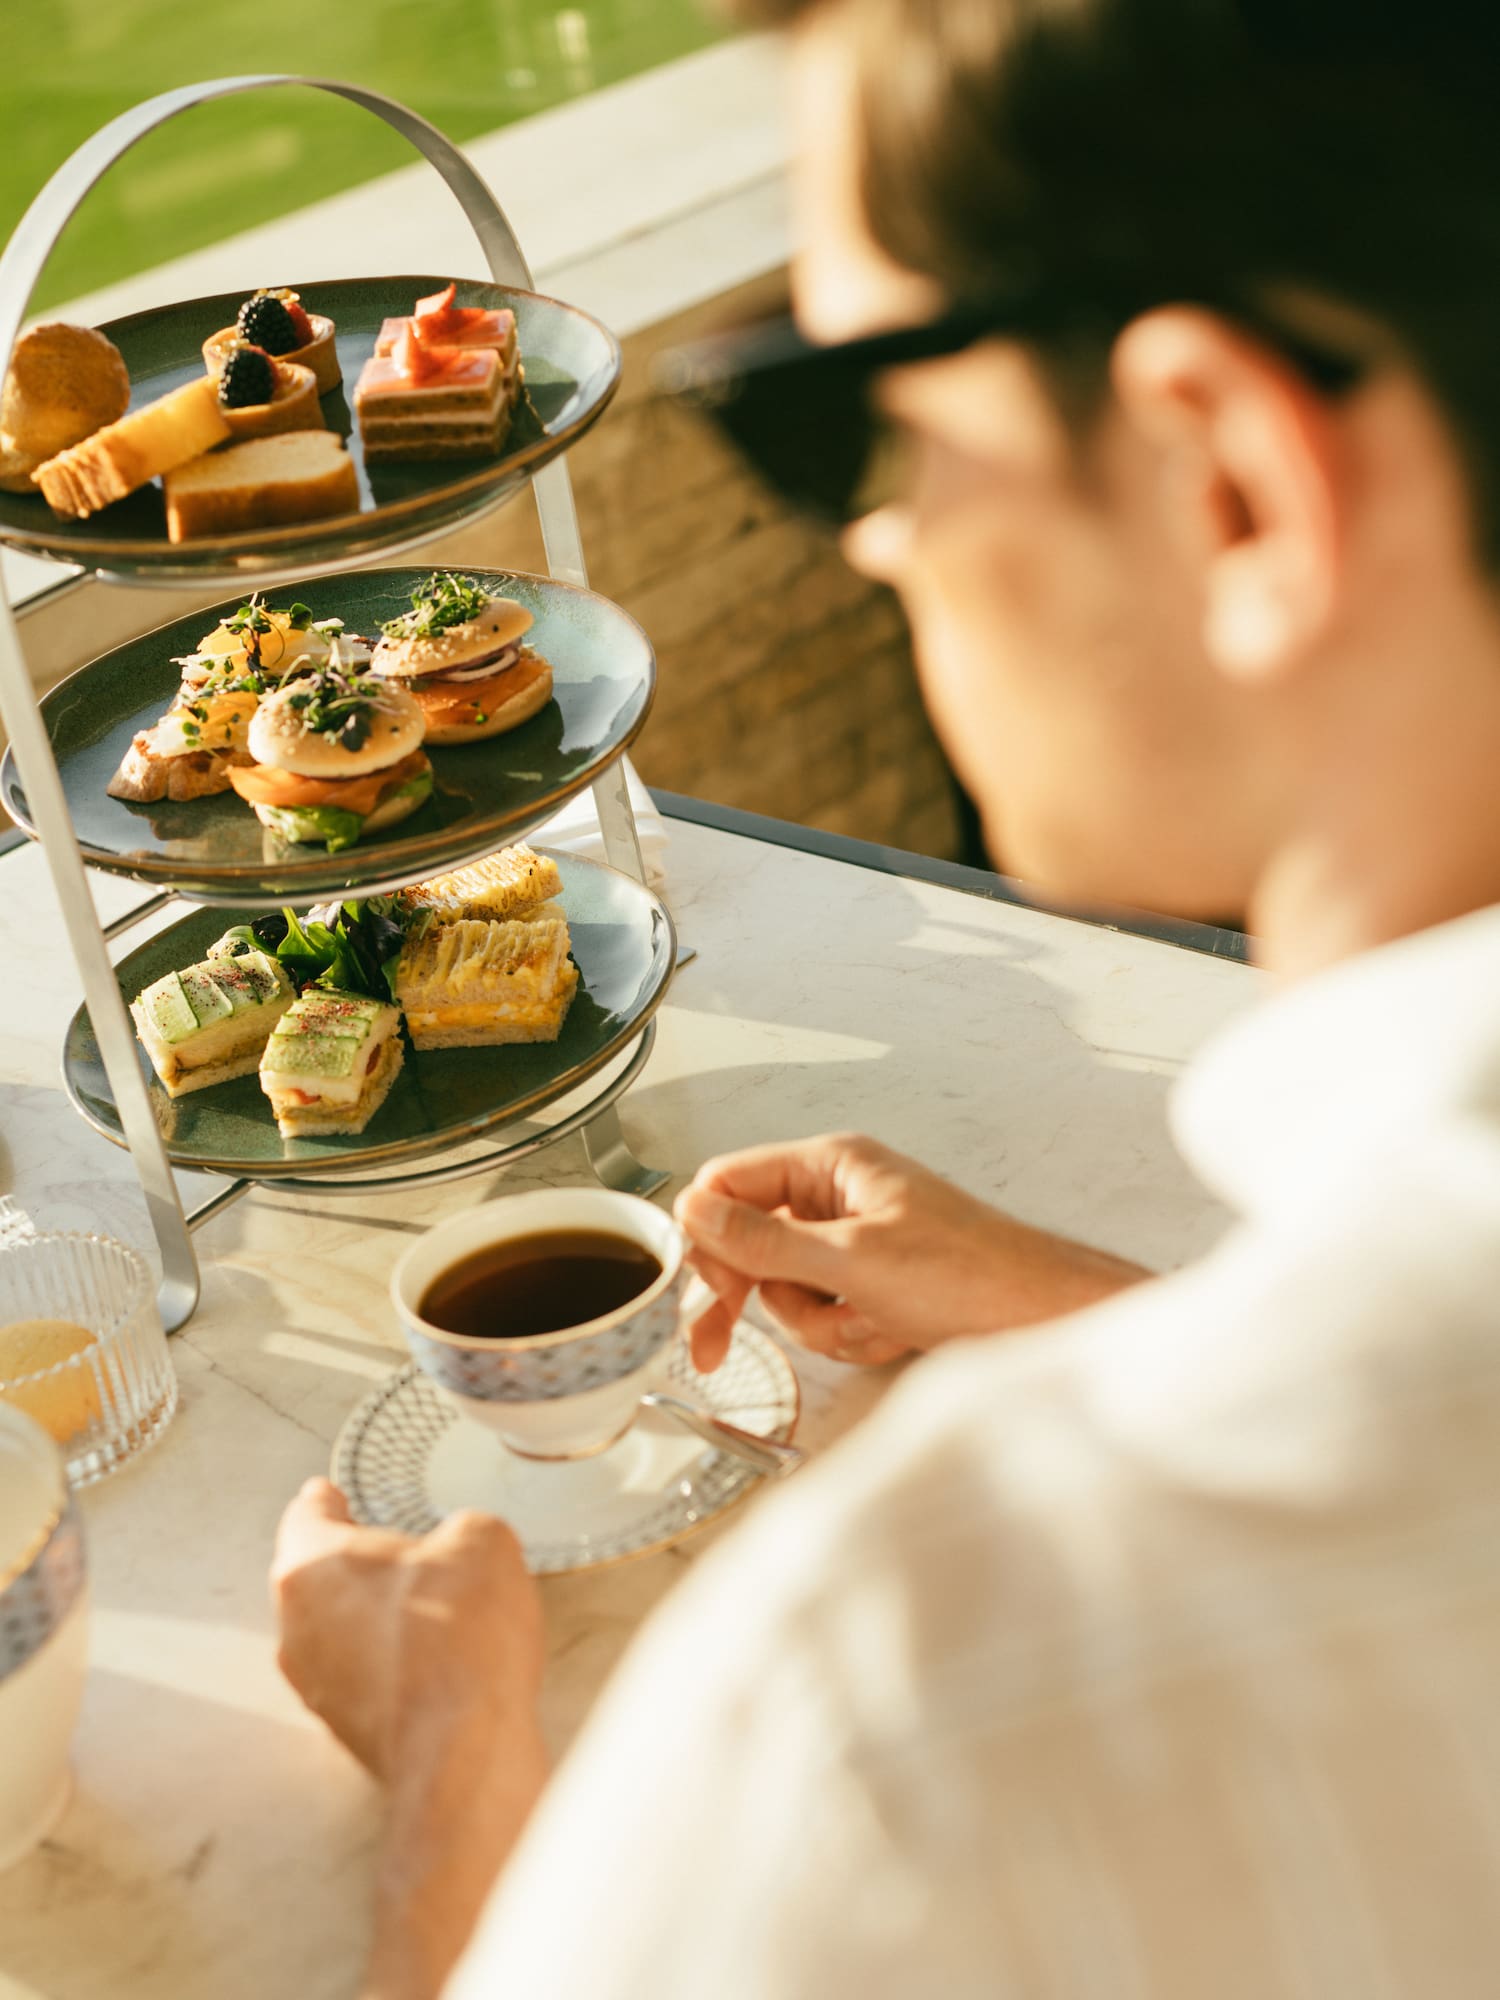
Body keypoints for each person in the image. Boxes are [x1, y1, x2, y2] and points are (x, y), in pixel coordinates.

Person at [273, 0, 1500, 1993]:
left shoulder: (929, 1695)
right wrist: (1119, 1311)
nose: (867, 535)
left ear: (1234, 483)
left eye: (840, 412)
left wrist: (451, 1766)